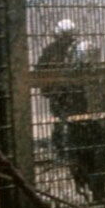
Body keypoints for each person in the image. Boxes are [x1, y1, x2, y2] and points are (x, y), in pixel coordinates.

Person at [61, 40, 105, 205]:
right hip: (79, 126)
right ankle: (90, 189)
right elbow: (60, 99)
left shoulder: (103, 76)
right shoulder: (70, 76)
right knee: (82, 160)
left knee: (97, 162)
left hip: (96, 126)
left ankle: (99, 194)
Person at [36, 18, 80, 161]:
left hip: (66, 92)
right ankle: (66, 152)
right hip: (64, 93)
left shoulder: (56, 50)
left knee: (66, 122)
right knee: (68, 122)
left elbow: (40, 69)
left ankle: (65, 152)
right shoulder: (73, 48)